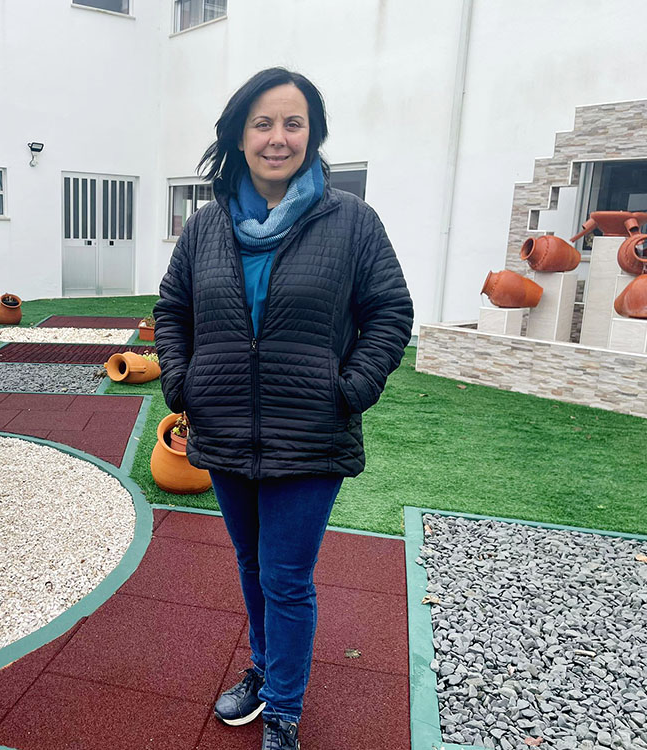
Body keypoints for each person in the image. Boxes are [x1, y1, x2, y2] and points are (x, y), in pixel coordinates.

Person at [153, 68, 414, 750]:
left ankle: (283, 713)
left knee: (286, 577)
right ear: (240, 135)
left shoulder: (352, 222)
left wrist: (351, 387)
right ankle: (267, 671)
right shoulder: (206, 228)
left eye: (293, 123)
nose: (278, 137)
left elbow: (389, 311)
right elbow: (171, 310)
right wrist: (182, 382)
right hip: (225, 425)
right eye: (263, 123)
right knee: (250, 564)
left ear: (313, 134)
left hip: (310, 430)